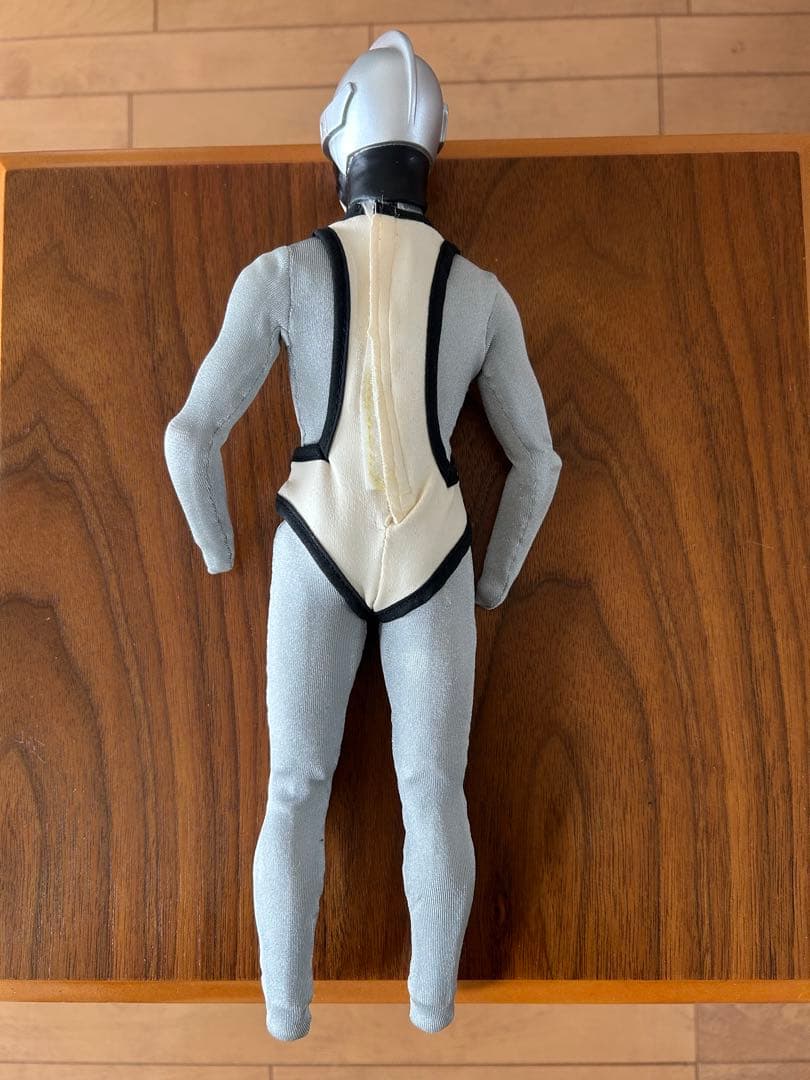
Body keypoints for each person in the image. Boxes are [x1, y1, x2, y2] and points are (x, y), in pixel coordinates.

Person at [163, 28, 562, 1041]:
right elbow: (538, 462)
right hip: (436, 553)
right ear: (431, 148)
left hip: (316, 542)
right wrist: (492, 580)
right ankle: (432, 1004)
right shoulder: (481, 292)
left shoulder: (283, 272)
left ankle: (285, 1009)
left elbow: (189, 437)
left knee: (293, 789)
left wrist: (218, 550)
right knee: (434, 791)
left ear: (340, 141)